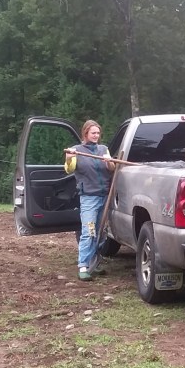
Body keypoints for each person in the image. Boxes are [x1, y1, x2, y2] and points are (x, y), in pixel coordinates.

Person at [64, 120, 116, 280]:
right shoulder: (77, 150)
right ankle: (83, 266)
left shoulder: (103, 149)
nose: (96, 136)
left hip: (105, 196)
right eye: (93, 133)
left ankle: (94, 262)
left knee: (100, 233)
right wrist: (69, 158)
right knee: (89, 232)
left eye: (98, 133)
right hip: (89, 198)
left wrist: (109, 162)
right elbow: (69, 169)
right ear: (85, 133)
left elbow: (112, 169)